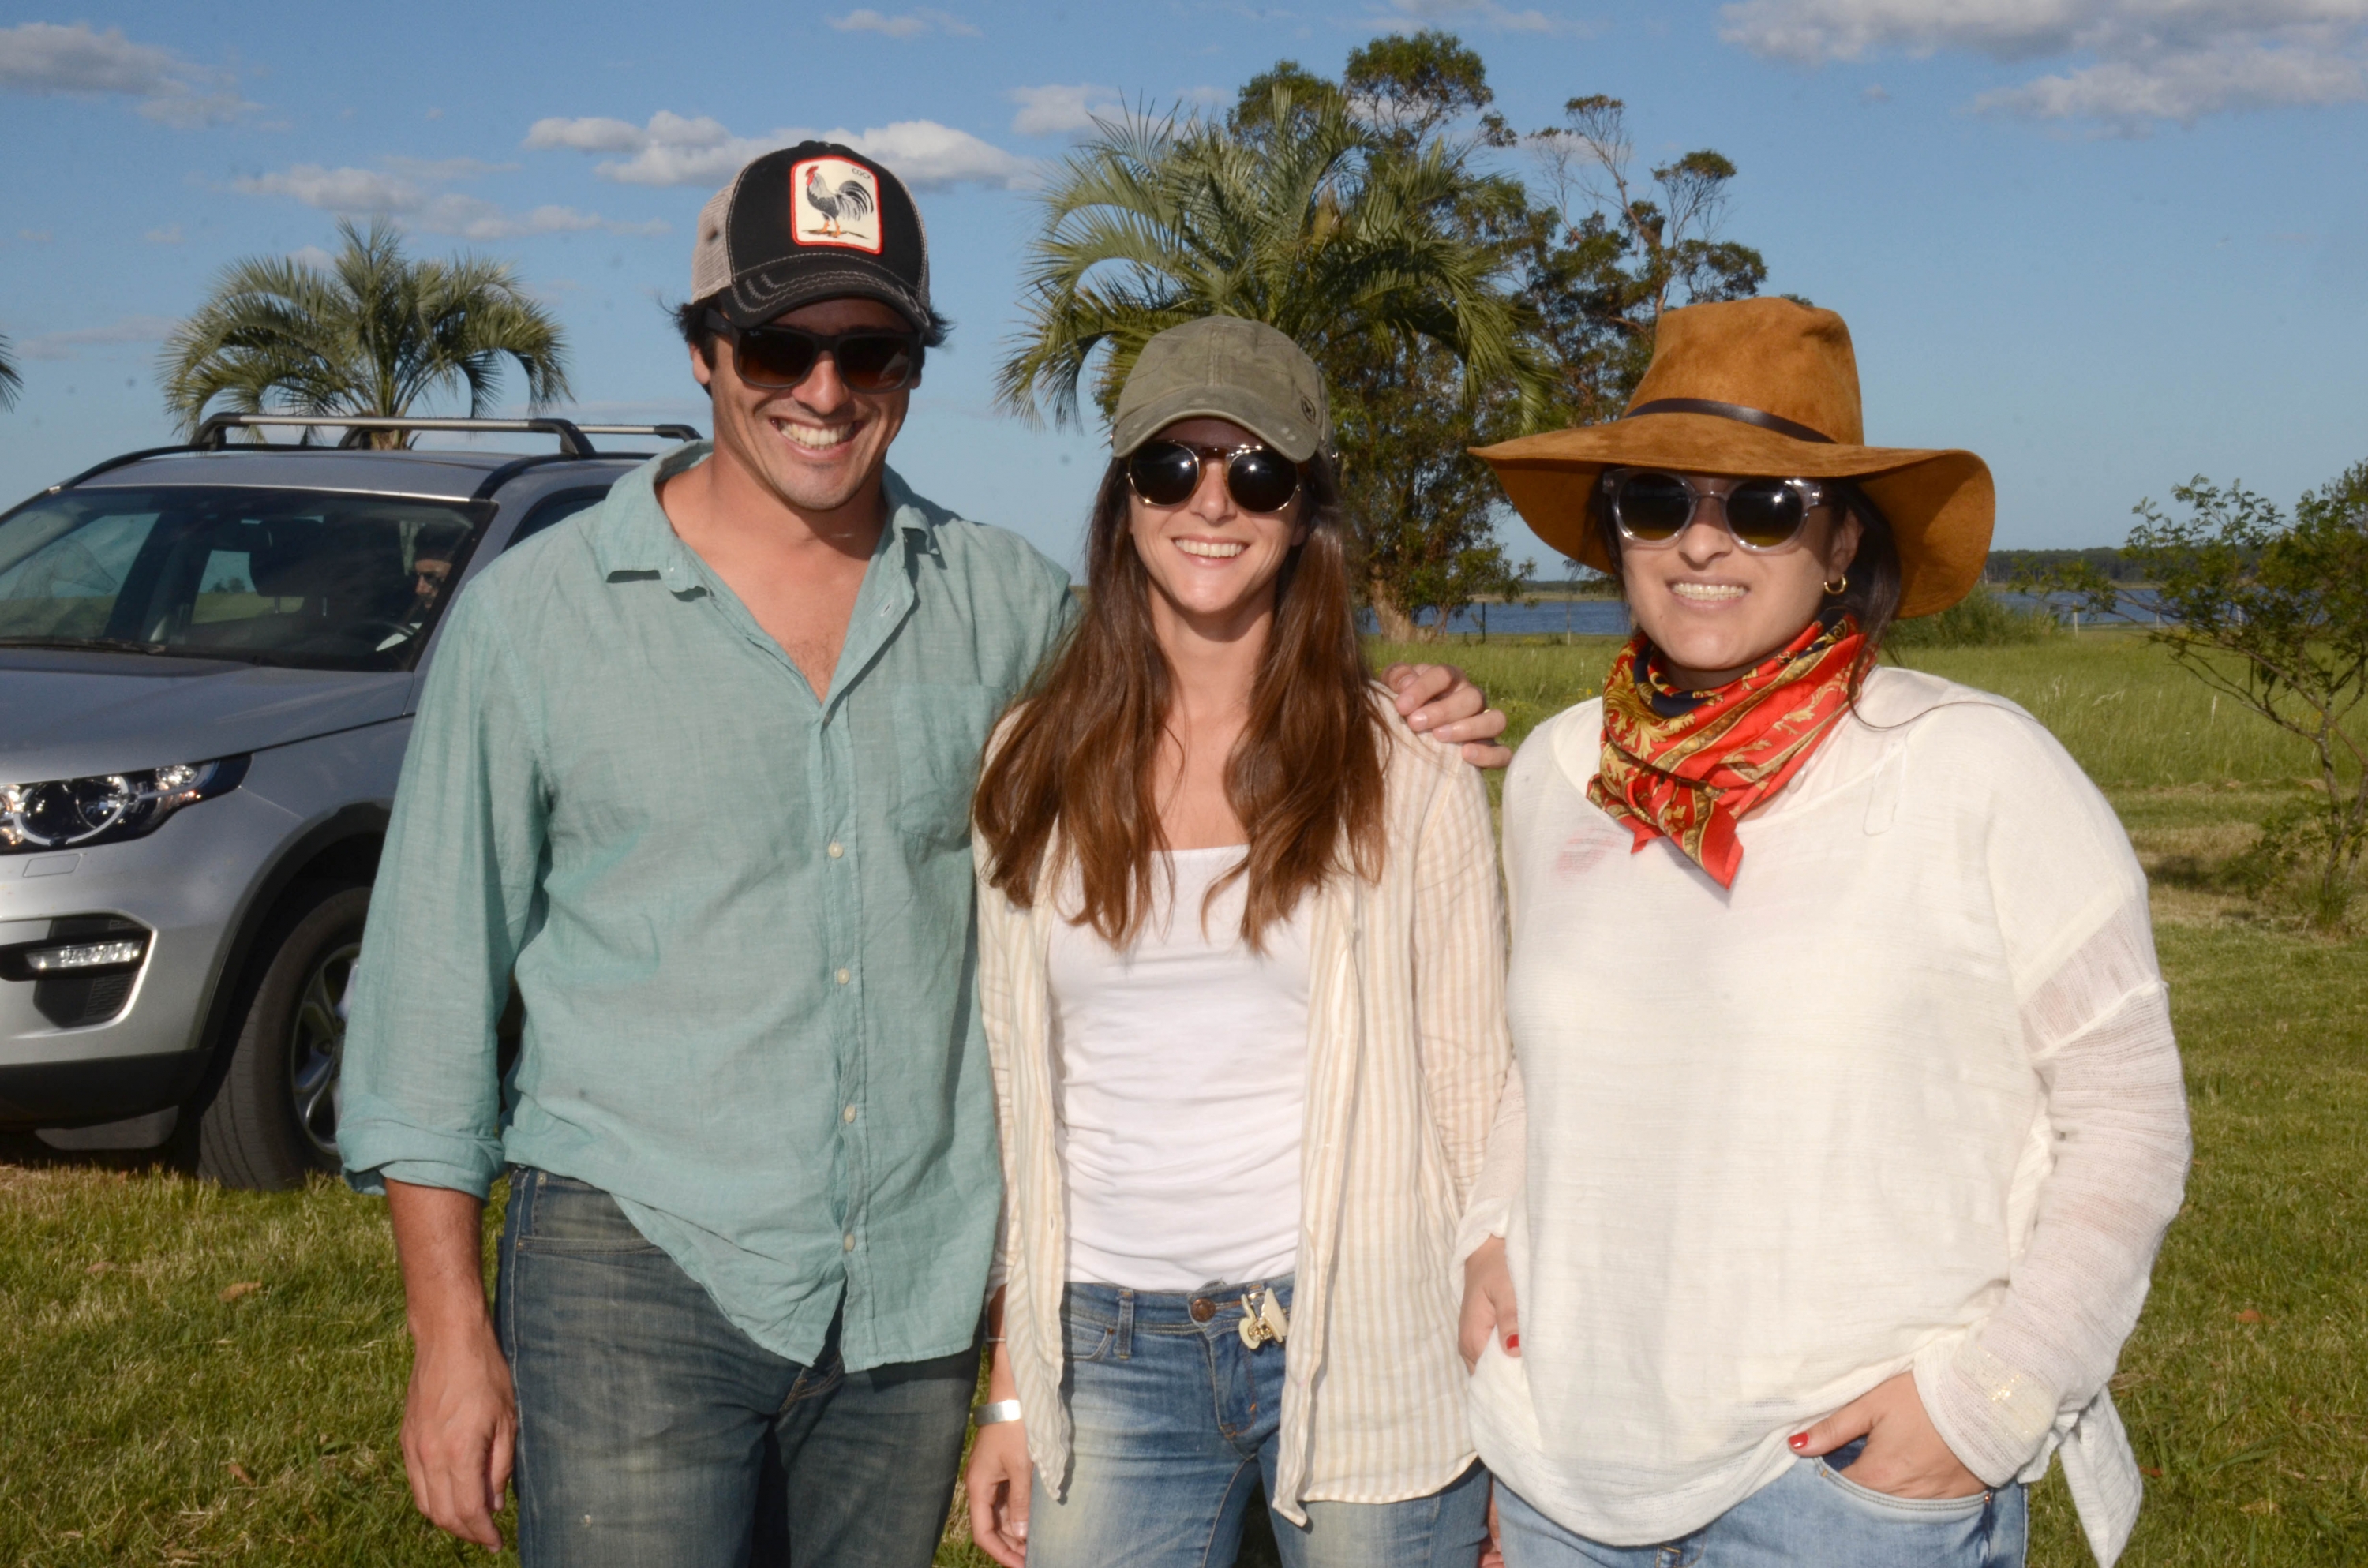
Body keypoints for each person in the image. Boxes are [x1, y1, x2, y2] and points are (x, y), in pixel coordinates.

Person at [335, 144, 1508, 1568]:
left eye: (869, 350)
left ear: (908, 368)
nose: (824, 392)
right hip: (632, 1259)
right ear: (707, 351)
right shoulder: (538, 623)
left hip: (906, 1295)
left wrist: (1385, 700)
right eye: (780, 344)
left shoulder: (997, 606)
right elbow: (424, 1005)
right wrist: (448, 1334)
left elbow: (1203, 660)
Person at [1456, 298, 2190, 1568]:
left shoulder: (1972, 765)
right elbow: (1546, 1055)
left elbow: (2128, 1113)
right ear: (1610, 531)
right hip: (1567, 1470)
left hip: (1843, 1495)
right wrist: (1486, 1233)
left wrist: (1994, 1399)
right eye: (1655, 501)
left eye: (1763, 505)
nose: (1702, 542)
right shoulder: (1557, 768)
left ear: (1842, 539)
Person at [961, 317, 1508, 1568]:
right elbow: (1019, 1107)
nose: (1212, 501)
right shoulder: (1028, 764)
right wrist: (1008, 1391)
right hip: (1105, 1355)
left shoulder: (1408, 771)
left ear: (1305, 507)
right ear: (1124, 499)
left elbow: (1475, 1097)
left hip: (1367, 1332)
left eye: (1256, 471)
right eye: (1172, 467)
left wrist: (1504, 1398)